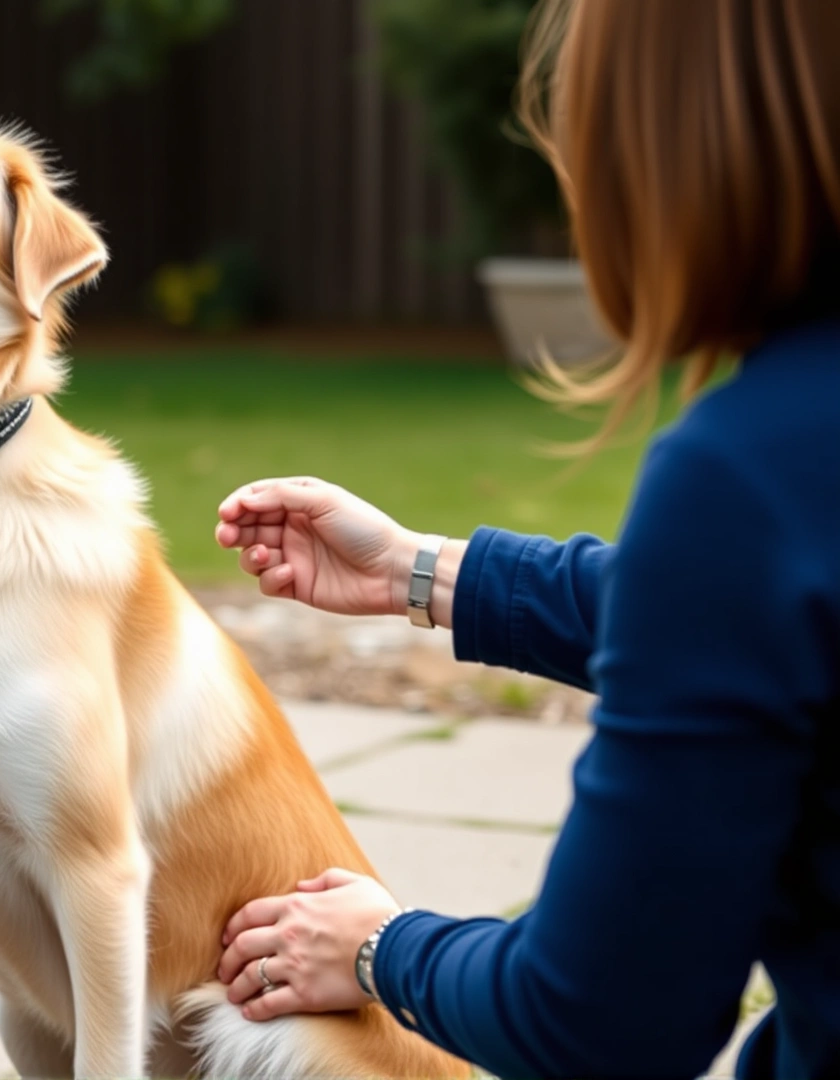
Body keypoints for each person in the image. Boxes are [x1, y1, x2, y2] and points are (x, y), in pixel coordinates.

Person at [211, 2, 840, 1077]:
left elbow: (601, 1018)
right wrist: (428, 572)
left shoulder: (749, 469)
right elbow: (754, 608)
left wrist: (380, 948)